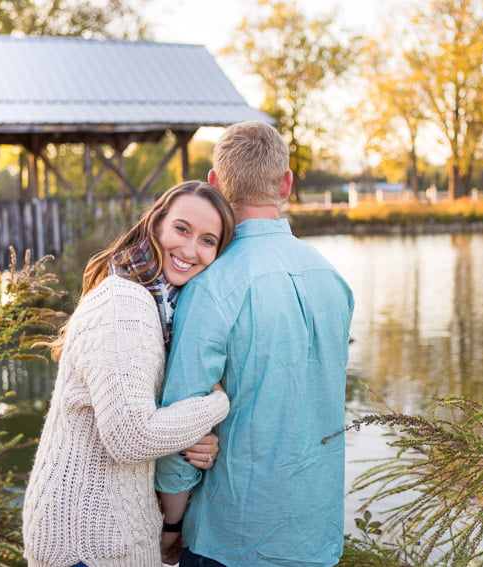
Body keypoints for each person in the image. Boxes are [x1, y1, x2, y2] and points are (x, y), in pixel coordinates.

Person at [155, 121, 355, 567]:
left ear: (215, 185)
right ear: (285, 184)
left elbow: (182, 420)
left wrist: (171, 526)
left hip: (228, 538)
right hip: (314, 534)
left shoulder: (212, 284)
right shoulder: (333, 278)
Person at [22, 181, 236, 567]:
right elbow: (131, 436)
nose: (190, 250)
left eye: (208, 240)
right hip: (85, 544)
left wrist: (193, 440)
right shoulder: (127, 304)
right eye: (182, 229)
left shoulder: (158, 303)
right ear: (156, 225)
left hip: (110, 535)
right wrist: (216, 405)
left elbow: (136, 419)